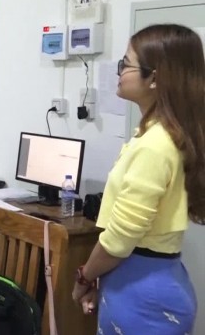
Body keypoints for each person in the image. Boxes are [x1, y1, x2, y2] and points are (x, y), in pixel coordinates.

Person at [71, 24, 204, 334]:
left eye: (126, 64)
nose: (119, 72)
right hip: (135, 278)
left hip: (144, 292)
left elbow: (120, 238)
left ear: (154, 77)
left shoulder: (156, 145)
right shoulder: (156, 134)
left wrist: (84, 277)